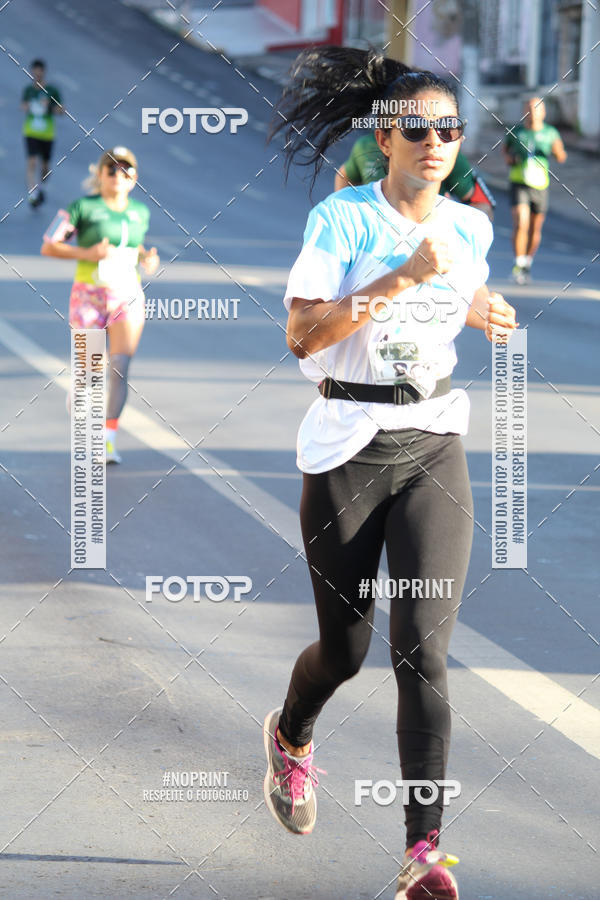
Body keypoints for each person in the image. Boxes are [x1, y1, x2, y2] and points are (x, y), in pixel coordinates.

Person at [263, 48, 517, 899]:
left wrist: (484, 311)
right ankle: (293, 736)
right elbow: (304, 336)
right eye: (420, 128)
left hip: (434, 437)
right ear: (388, 136)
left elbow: (461, 285)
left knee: (423, 653)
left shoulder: (473, 226)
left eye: (450, 128)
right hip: (347, 443)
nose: (437, 140)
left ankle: (422, 854)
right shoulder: (342, 222)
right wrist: (400, 275)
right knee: (347, 649)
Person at [40, 146, 159, 463]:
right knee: (91, 372)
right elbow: (49, 245)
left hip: (126, 294)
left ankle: (107, 439)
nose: (119, 175)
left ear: (134, 178)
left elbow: (131, 246)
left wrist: (147, 258)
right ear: (100, 174)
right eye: (112, 169)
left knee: (120, 367)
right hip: (89, 294)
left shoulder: (140, 212)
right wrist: (86, 254)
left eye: (126, 170)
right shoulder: (83, 207)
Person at [335, 130, 496, 219]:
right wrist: (348, 212)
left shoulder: (443, 154)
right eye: (413, 127)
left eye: (446, 125)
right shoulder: (365, 146)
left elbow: (482, 207)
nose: (433, 141)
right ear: (384, 141)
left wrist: (451, 231)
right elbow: (345, 175)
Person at [503, 97, 566, 284]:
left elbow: (561, 155)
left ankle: (527, 262)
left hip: (540, 185)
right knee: (520, 223)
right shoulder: (517, 132)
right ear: (524, 111)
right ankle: (518, 262)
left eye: (537, 108)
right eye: (529, 108)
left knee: (534, 227)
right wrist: (511, 159)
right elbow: (504, 152)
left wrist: (555, 152)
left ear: (543, 112)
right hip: (519, 182)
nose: (533, 112)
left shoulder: (550, 133)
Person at [22, 59, 64, 208]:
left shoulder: (52, 91)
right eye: (35, 71)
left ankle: (42, 188)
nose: (37, 73)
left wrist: (50, 107)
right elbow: (23, 106)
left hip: (47, 133)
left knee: (45, 166)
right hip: (31, 131)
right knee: (32, 162)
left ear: (44, 72)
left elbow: (62, 110)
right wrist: (26, 106)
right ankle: (33, 193)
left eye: (40, 70)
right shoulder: (29, 90)